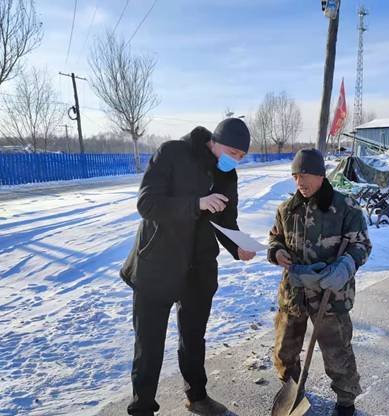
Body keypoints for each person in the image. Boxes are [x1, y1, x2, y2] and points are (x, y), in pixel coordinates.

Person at [120, 118, 256, 416]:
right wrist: (197, 203)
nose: (235, 160)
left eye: (241, 157)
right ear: (214, 141)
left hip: (199, 268)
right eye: (233, 152)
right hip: (158, 264)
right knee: (149, 344)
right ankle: (142, 408)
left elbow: (225, 220)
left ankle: (197, 396)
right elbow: (147, 204)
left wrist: (238, 246)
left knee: (194, 337)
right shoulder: (172, 153)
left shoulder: (227, 176)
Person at [267, 148, 371, 416]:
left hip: (330, 295)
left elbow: (361, 244)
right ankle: (292, 389)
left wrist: (346, 266)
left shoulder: (345, 207)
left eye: (305, 175)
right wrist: (276, 252)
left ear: (321, 175)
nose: (300, 182)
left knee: (337, 353)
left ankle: (346, 401)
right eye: (295, 176)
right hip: (294, 292)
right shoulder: (286, 209)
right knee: (284, 351)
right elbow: (275, 237)